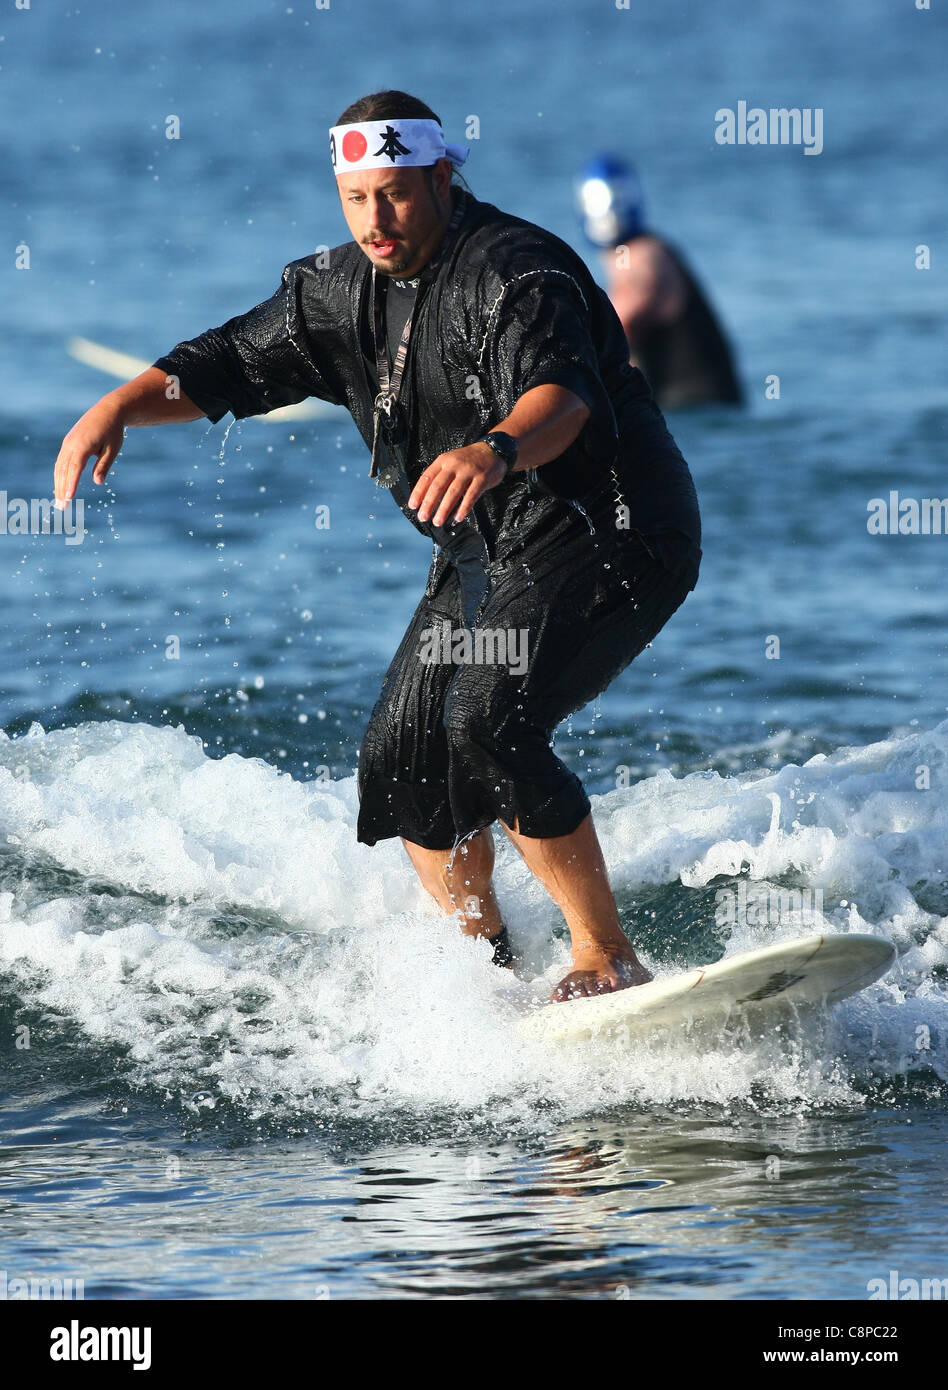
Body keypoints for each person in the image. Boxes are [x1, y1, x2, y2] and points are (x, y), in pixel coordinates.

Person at [53, 91, 702, 1003]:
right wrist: (119, 405)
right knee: (403, 761)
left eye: (395, 194)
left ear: (442, 178)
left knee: (488, 720)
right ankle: (490, 973)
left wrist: (496, 446)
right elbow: (225, 364)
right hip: (490, 550)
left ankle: (607, 955)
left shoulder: (518, 271)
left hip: (613, 528)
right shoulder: (335, 292)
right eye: (357, 198)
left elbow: (564, 395)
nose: (375, 219)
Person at [576, 155, 743, 409]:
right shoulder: (651, 250)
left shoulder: (641, 256)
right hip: (704, 409)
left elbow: (618, 327)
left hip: (697, 411)